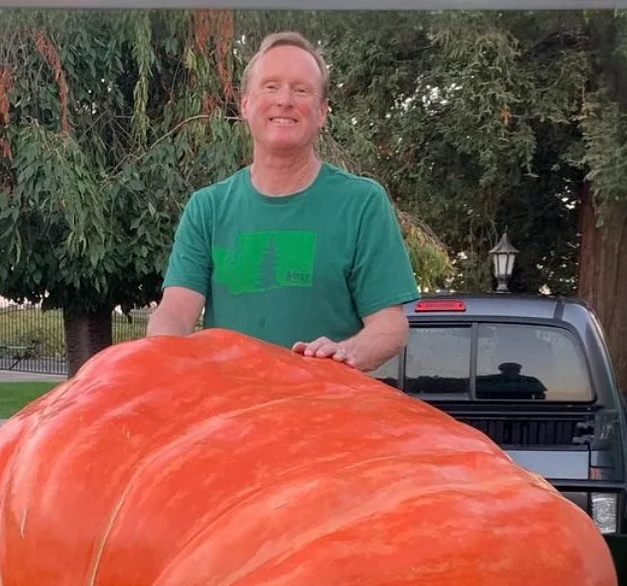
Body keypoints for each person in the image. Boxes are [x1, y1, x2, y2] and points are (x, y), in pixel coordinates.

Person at [145, 31, 420, 372]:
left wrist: (346, 352)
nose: (284, 100)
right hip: (231, 417)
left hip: (328, 415)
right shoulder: (207, 208)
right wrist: (160, 353)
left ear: (321, 112)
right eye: (271, 86)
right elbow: (175, 309)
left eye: (301, 89)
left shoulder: (362, 203)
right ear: (245, 104)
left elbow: (390, 327)